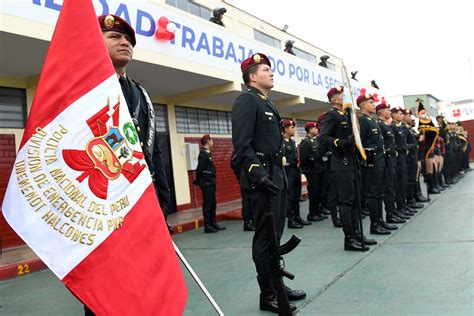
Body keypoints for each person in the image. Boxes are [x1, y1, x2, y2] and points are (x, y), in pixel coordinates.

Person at [85, 14, 172, 316]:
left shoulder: (141, 93)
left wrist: (163, 200)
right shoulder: (85, 89)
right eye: (114, 37)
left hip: (140, 203)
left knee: (140, 281)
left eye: (129, 40)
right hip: (103, 205)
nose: (125, 43)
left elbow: (154, 151)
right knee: (103, 286)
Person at [231, 53, 306, 313]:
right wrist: (257, 174)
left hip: (276, 175)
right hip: (260, 178)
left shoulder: (267, 102)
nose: (271, 73)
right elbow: (242, 145)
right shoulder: (246, 101)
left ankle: (277, 285)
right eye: (266, 69)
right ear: (252, 76)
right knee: (265, 239)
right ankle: (268, 294)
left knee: (277, 237)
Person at [319, 86, 372, 251]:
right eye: (342, 96)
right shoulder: (332, 115)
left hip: (352, 161)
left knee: (356, 200)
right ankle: (349, 239)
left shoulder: (348, 115)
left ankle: (357, 234)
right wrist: (342, 143)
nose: (345, 99)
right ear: (335, 99)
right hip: (341, 163)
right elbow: (324, 137)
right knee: (346, 202)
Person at [358, 93, 394, 235]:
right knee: (373, 193)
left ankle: (380, 220)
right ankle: (375, 224)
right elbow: (360, 143)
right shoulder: (363, 121)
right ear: (363, 106)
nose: (374, 105)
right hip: (371, 161)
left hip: (380, 159)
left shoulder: (371, 121)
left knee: (378, 192)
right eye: (370, 102)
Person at [376, 101, 407, 224]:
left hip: (392, 160)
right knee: (388, 189)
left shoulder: (386, 125)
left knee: (393, 187)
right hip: (387, 160)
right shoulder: (380, 125)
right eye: (387, 110)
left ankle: (394, 211)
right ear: (381, 112)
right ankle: (390, 214)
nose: (389, 112)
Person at [282, 119, 311, 228]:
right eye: (292, 127)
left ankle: (297, 217)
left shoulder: (292, 141)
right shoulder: (281, 142)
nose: (294, 130)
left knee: (296, 195)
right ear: (285, 129)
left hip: (295, 170)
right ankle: (291, 219)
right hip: (287, 171)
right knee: (290, 197)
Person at [195, 135, 226, 233]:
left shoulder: (208, 153)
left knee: (213, 204)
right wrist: (202, 180)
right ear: (208, 142)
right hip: (207, 183)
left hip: (211, 182)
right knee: (208, 205)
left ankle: (213, 223)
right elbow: (199, 169)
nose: (213, 142)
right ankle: (207, 226)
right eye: (211, 140)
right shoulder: (203, 154)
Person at [299, 121, 328, 222]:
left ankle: (317, 211)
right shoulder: (305, 142)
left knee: (320, 192)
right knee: (314, 193)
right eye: (314, 128)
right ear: (309, 130)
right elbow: (303, 159)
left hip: (319, 170)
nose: (317, 130)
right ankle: (312, 213)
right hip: (311, 171)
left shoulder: (315, 141)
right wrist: (309, 169)